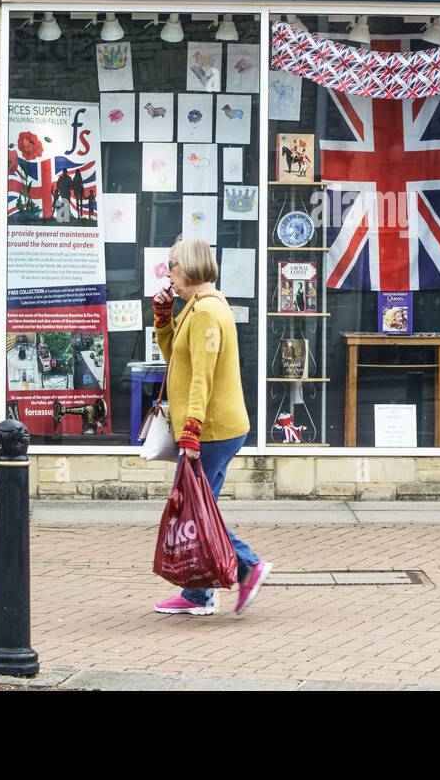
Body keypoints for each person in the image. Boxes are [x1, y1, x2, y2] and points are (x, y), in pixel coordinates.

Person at [151, 238, 271, 616]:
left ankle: (249, 566)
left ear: (187, 267)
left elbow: (202, 377)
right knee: (197, 507)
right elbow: (176, 360)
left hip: (214, 430)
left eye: (172, 264)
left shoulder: (206, 312)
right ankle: (198, 595)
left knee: (196, 510)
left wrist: (191, 430)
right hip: (212, 427)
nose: (168, 272)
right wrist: (163, 319)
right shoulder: (197, 307)